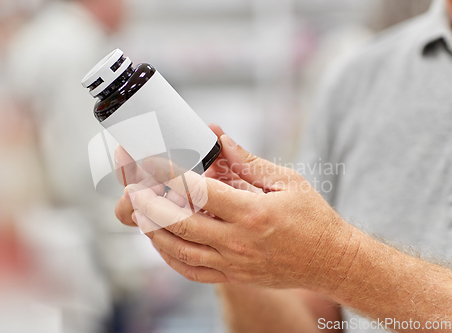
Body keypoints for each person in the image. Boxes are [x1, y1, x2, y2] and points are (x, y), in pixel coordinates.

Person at [114, 0, 452, 332]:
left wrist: (333, 261)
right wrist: (230, 247)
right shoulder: (357, 79)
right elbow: (313, 322)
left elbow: (326, 263)